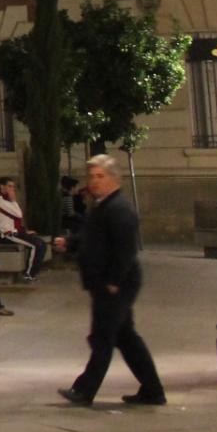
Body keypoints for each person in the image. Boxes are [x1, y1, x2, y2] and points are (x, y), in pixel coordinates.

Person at [54, 154, 164, 407]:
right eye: (91, 176)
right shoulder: (102, 206)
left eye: (100, 176)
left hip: (116, 284)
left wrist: (114, 281)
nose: (94, 181)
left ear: (115, 178)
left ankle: (84, 390)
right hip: (106, 283)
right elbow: (93, 237)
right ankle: (153, 390)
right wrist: (70, 243)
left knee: (103, 338)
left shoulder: (120, 209)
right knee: (126, 338)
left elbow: (125, 251)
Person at [0, 177, 50, 281]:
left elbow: (17, 219)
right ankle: (29, 274)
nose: (12, 189)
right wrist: (14, 201)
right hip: (8, 235)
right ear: (2, 187)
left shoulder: (8, 201)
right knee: (36, 245)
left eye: (13, 187)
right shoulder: (0, 202)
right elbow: (19, 214)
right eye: (9, 186)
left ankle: (33, 273)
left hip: (16, 233)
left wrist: (25, 231)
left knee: (42, 243)